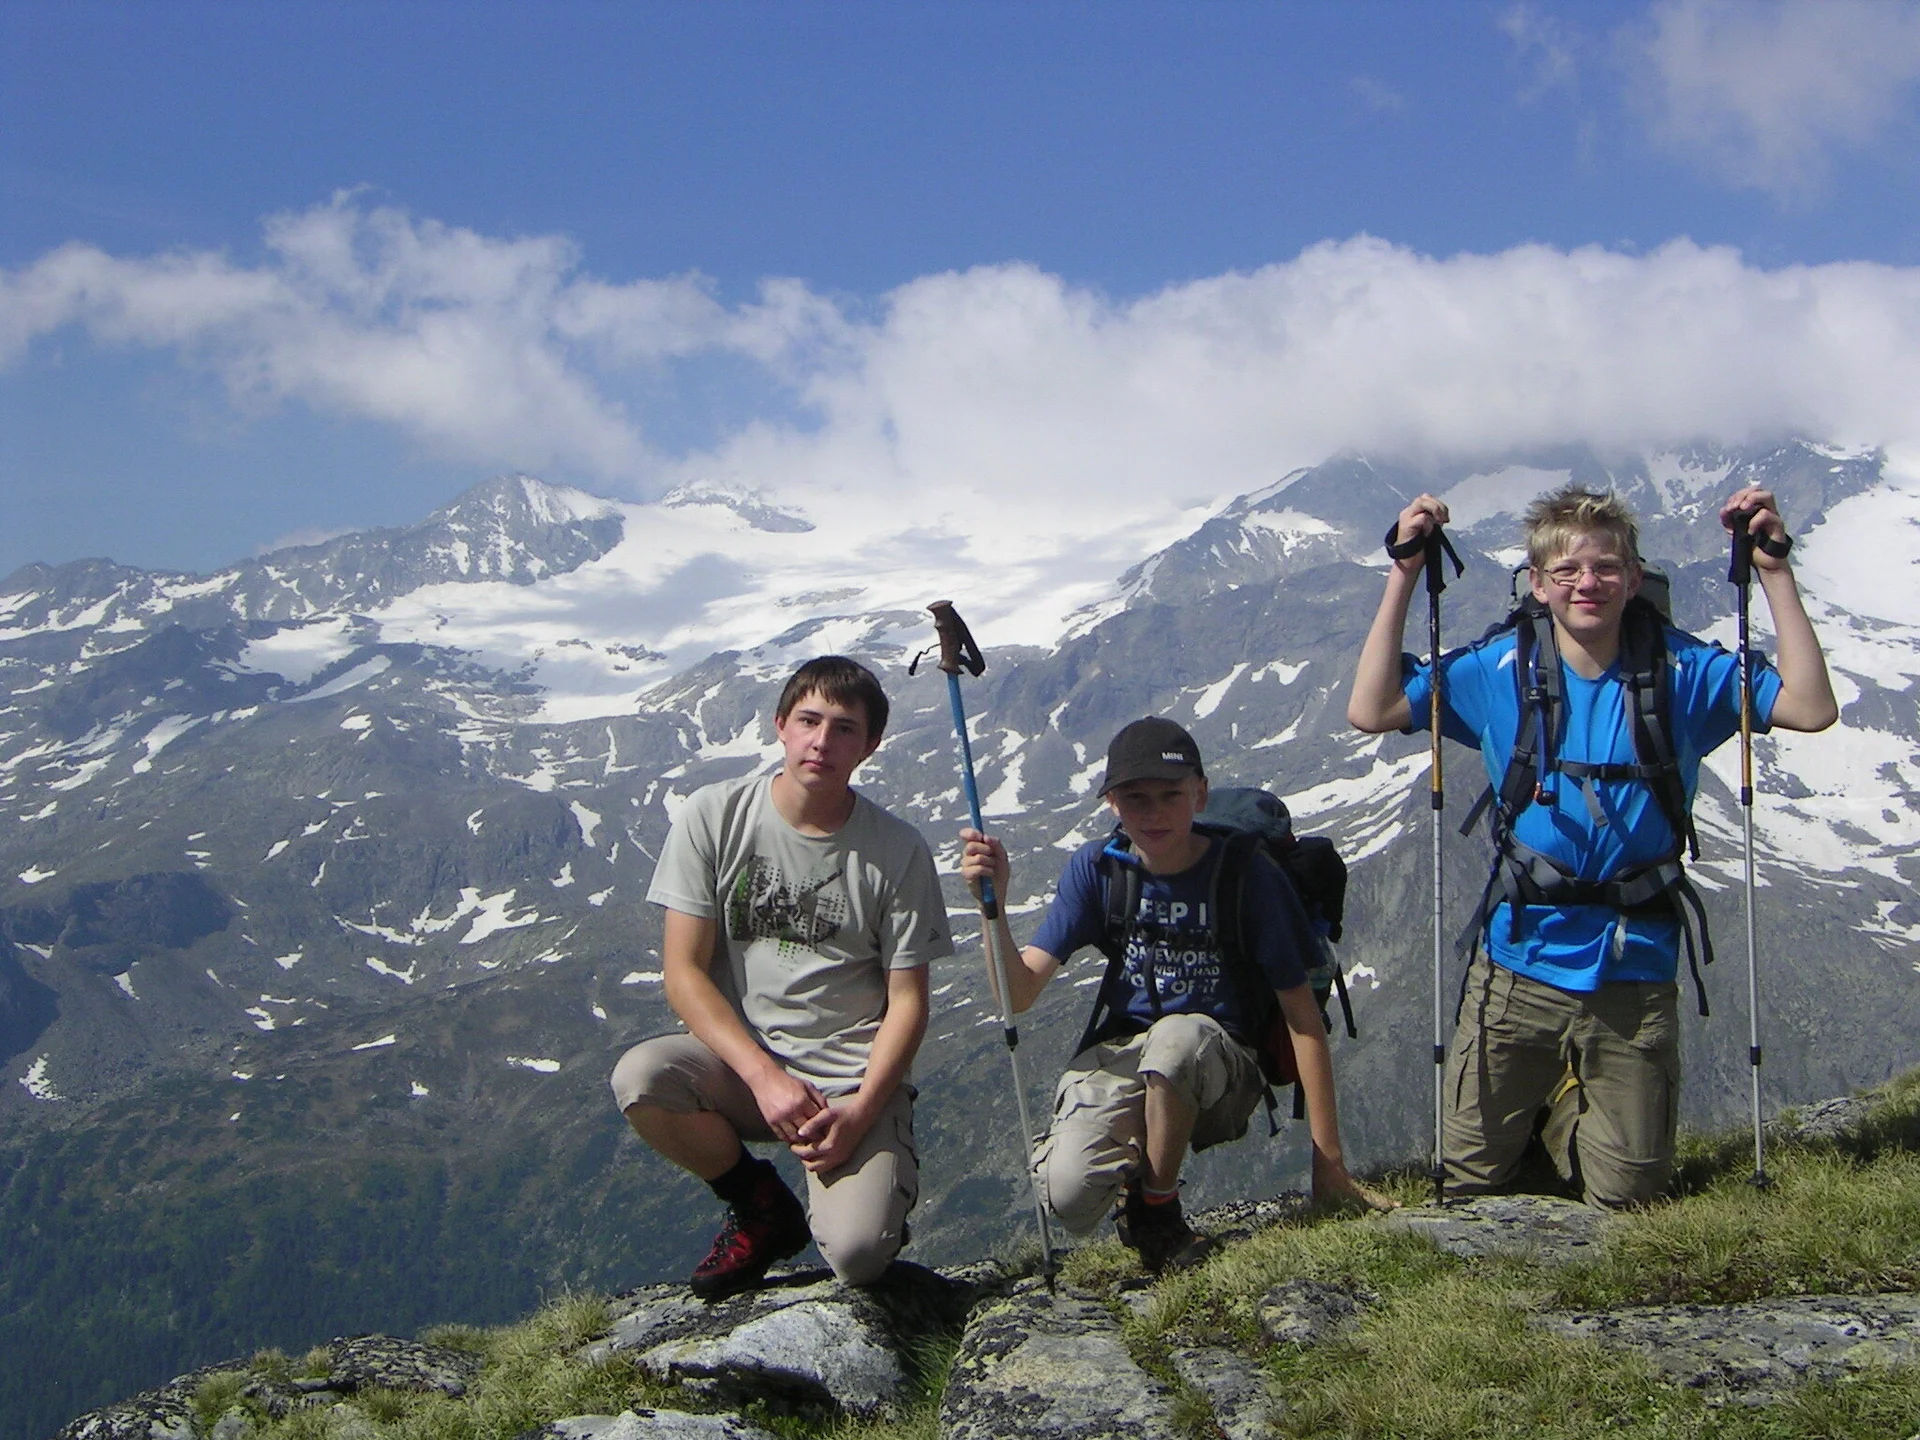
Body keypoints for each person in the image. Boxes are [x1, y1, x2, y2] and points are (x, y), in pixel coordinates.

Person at [1347, 484, 1837, 1208]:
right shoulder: (1498, 669)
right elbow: (1373, 708)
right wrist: (1404, 573)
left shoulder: (1683, 673)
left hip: (1632, 967)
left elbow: (1810, 706)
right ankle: (1548, 1105)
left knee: (1629, 1197)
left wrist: (1771, 569)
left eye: (1606, 568)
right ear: (1537, 585)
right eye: (1568, 570)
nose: (1589, 583)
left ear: (1634, 580)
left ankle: (1566, 1110)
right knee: (1470, 1185)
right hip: (1517, 961)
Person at [960, 717, 1393, 1274]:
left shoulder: (1246, 875)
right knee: (1069, 1194)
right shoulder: (1097, 869)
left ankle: (1155, 1211)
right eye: (1136, 798)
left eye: (1171, 795)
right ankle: (1137, 1173)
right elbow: (1017, 994)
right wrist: (990, 907)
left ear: (1200, 792)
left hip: (1222, 1063)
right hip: (1128, 1053)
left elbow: (1303, 1018)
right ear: (1112, 803)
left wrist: (1328, 1164)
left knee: (1175, 1040)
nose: (1155, 812)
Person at [610, 655, 953, 1299]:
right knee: (642, 1078)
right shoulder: (714, 817)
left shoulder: (897, 851)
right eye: (809, 720)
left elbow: (909, 1002)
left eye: (845, 728)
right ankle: (761, 1208)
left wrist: (863, 1109)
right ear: (781, 726)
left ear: (870, 746)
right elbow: (683, 974)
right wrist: (765, 1078)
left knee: (857, 1257)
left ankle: (870, 1184)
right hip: (748, 1072)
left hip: (849, 1086)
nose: (823, 741)